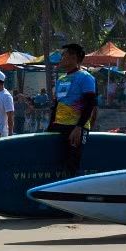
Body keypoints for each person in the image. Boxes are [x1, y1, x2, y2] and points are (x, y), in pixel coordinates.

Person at [49, 42, 98, 175]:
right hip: (59, 126)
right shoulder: (61, 79)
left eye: (63, 55)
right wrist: (50, 127)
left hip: (75, 128)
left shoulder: (85, 77)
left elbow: (90, 103)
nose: (60, 58)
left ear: (73, 57)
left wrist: (79, 127)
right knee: (57, 163)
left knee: (72, 165)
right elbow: (56, 105)